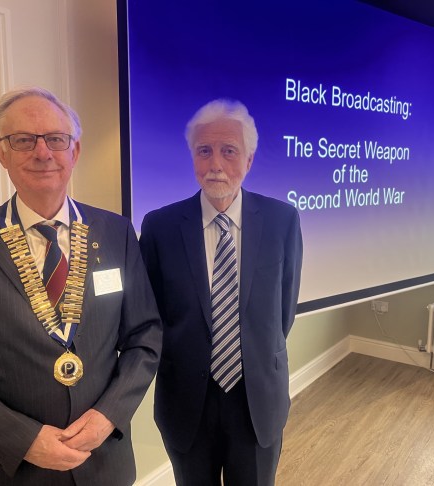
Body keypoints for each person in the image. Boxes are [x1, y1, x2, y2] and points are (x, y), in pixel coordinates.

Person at [0, 86, 162, 486]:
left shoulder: (116, 232)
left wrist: (108, 415)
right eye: (24, 140)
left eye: (56, 139)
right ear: (1, 153)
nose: (43, 152)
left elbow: (144, 337)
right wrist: (25, 440)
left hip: (105, 465)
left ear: (74, 151)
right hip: (13, 472)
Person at [139, 99, 303, 485]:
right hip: (186, 402)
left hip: (257, 399)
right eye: (204, 151)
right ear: (193, 157)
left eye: (229, 150)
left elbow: (284, 310)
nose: (215, 163)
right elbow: (151, 315)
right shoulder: (160, 227)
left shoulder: (281, 220)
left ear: (249, 159)